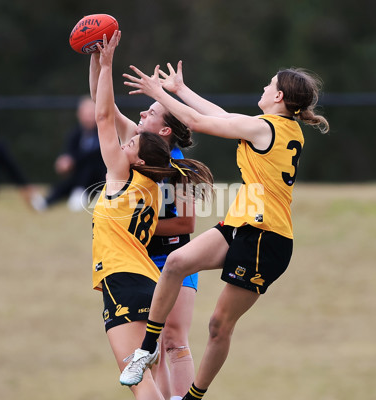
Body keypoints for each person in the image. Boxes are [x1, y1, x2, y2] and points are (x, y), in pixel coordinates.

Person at [119, 60, 330, 399]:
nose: (263, 88)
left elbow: (198, 121)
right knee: (175, 263)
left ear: (278, 96)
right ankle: (146, 350)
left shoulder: (268, 129)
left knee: (218, 326)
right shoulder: (272, 126)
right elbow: (220, 116)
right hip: (240, 224)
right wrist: (181, 90)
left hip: (267, 239)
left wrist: (158, 92)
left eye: (268, 84)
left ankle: (192, 396)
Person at [91, 31, 213, 400]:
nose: (142, 113)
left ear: (163, 130)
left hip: (162, 256)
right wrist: (97, 61)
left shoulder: (169, 167)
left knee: (172, 341)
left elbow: (188, 224)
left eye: (152, 111)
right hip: (142, 257)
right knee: (151, 354)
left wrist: (126, 225)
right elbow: (105, 110)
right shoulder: (144, 155)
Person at [30, 96, 106, 212]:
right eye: (86, 114)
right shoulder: (75, 134)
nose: (88, 118)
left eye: (91, 114)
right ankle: (46, 202)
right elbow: (68, 152)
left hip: (101, 177)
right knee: (68, 183)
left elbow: (97, 154)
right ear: (79, 115)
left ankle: (82, 194)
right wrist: (65, 161)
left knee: (89, 167)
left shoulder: (104, 132)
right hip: (79, 175)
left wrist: (73, 159)